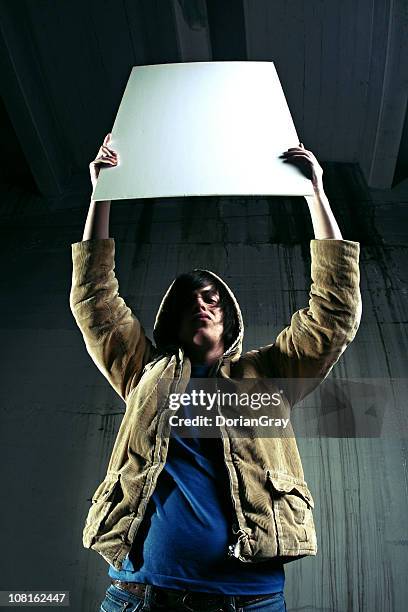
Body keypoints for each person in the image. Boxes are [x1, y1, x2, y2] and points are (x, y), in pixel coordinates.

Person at [70, 134, 362, 611]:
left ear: (229, 318)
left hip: (248, 600)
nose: (202, 305)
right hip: (139, 594)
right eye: (190, 301)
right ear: (173, 319)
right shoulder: (143, 370)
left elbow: (334, 315)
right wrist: (99, 194)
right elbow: (94, 301)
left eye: (212, 299)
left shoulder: (266, 374)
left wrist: (316, 195)